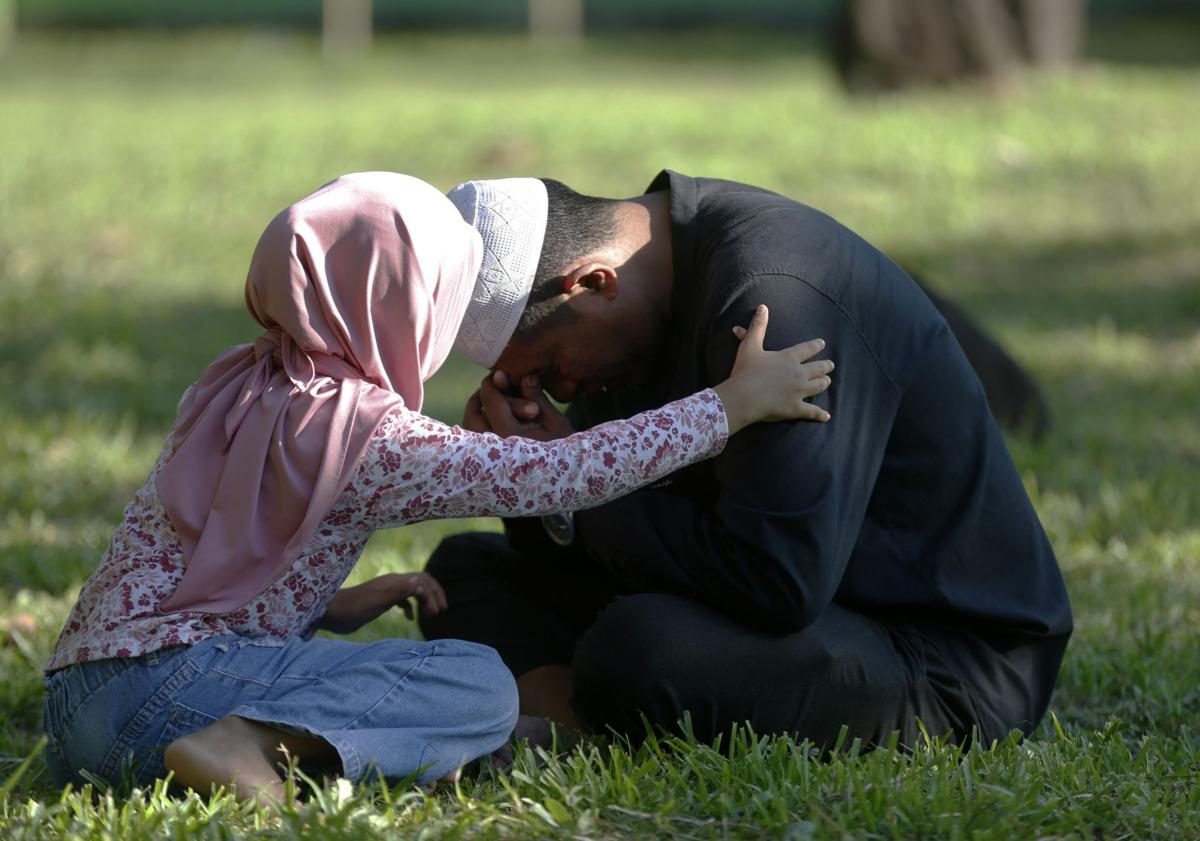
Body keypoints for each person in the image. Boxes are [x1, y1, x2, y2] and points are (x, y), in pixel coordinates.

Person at [40, 172, 834, 803]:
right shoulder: (371, 433)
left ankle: (279, 741)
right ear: (396, 304)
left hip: (78, 709)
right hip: (174, 702)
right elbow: (564, 472)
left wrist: (341, 601)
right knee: (476, 680)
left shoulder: (236, 384)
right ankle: (244, 746)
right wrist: (728, 407)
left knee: (382, 669)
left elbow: (202, 553)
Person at [421, 172, 1073, 748]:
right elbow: (615, 535)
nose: (561, 390)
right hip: (766, 609)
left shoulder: (773, 302)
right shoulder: (635, 313)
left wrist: (572, 488)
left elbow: (777, 579)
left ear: (595, 282)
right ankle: (578, 717)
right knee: (458, 576)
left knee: (640, 647)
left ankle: (584, 711)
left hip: (941, 656)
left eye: (554, 366)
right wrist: (537, 483)